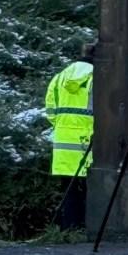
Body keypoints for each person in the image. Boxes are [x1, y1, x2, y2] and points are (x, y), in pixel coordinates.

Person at [45, 43, 95, 230]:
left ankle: (68, 229)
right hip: (88, 141)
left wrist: (63, 127)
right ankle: (84, 229)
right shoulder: (98, 77)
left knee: (69, 189)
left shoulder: (60, 77)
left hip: (63, 142)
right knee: (90, 189)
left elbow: (50, 110)